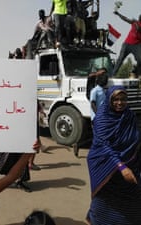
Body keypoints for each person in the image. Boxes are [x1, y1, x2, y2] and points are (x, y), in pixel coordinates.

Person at [86, 85, 141, 225]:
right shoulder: (101, 118)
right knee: (104, 207)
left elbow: (136, 140)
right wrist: (121, 167)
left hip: (130, 169)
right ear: (109, 99)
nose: (120, 103)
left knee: (132, 208)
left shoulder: (130, 116)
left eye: (123, 99)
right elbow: (103, 145)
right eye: (116, 99)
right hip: (107, 168)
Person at [73, 68, 108, 157]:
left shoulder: (104, 90)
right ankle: (81, 146)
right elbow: (93, 103)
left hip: (102, 116)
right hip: (96, 117)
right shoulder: (94, 89)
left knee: (98, 136)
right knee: (97, 136)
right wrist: (98, 114)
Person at [112, 11, 141, 76]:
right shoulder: (135, 22)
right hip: (127, 44)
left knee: (140, 59)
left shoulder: (136, 24)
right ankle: (113, 74)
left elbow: (139, 29)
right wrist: (118, 14)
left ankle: (137, 73)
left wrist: (137, 25)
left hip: (136, 45)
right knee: (120, 59)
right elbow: (125, 18)